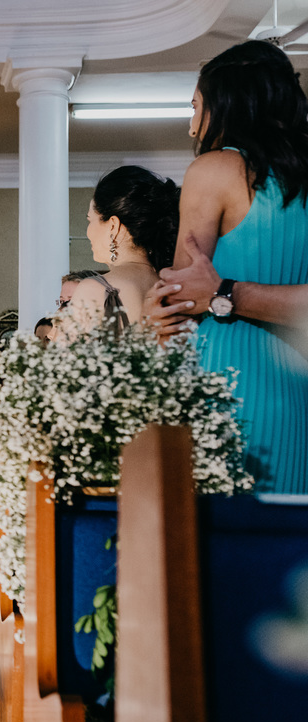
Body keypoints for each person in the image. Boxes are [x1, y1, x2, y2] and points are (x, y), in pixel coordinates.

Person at [145, 41, 308, 492]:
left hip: (223, 380)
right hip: (298, 389)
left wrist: (166, 305)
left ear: (227, 103)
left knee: (221, 544)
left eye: (196, 106)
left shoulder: (213, 171)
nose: (192, 124)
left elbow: (179, 297)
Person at [68, 166, 180, 334]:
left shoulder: (93, 290)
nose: (88, 230)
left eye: (90, 220)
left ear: (113, 225)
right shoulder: (174, 289)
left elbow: (66, 359)